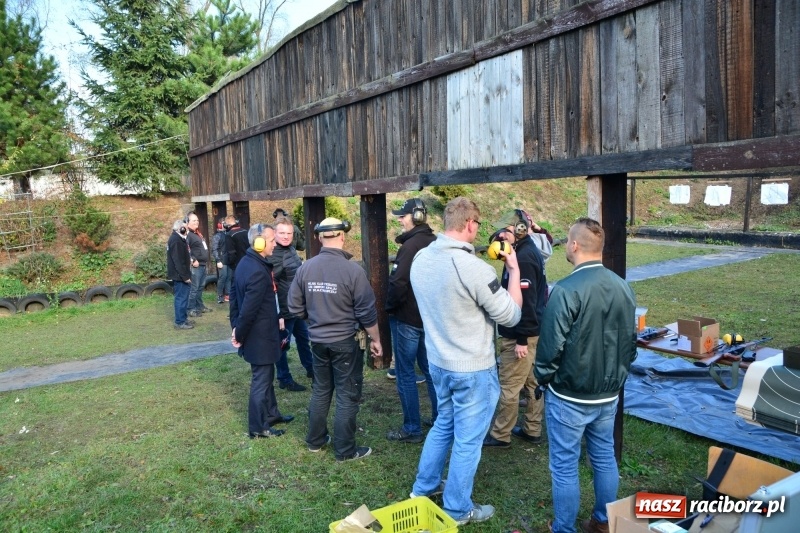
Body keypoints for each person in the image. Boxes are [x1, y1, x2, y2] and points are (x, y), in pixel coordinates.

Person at [409, 197, 522, 526]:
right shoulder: (473, 268)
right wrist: (512, 270)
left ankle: (423, 488)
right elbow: (511, 315)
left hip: (438, 362)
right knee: (468, 440)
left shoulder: (420, 258)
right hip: (472, 368)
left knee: (445, 423)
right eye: (477, 224)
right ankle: (457, 509)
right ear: (471, 224)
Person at [534, 217, 637, 533]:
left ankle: (564, 528)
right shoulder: (623, 286)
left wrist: (543, 378)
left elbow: (550, 346)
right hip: (608, 394)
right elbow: (630, 343)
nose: (565, 245)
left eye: (566, 241)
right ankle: (604, 521)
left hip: (570, 394)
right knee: (604, 457)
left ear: (575, 245)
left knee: (565, 466)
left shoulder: (565, 290)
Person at [287, 217, 382, 461]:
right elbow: (366, 311)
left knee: (321, 389)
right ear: (343, 236)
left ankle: (315, 441)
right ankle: (345, 451)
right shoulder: (353, 270)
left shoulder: (305, 268)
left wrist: (316, 320)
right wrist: (376, 340)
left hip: (317, 341)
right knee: (347, 394)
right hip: (345, 342)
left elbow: (294, 307)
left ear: (320, 238)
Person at [483, 209, 547, 448]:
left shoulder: (524, 258)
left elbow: (528, 304)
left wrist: (521, 339)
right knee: (531, 383)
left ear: (521, 230)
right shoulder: (521, 251)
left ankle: (501, 434)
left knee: (510, 385)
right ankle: (532, 428)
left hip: (522, 335)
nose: (502, 235)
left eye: (507, 231)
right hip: (530, 333)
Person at [229, 223, 294, 439]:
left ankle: (272, 414)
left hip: (263, 334)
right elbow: (247, 309)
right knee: (261, 381)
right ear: (259, 242)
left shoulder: (248, 262)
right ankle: (258, 428)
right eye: (272, 240)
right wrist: (238, 333)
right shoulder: (257, 270)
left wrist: (236, 326)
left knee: (267, 376)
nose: (275, 244)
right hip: (260, 337)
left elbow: (235, 299)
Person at [385, 198, 437, 444]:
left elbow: (398, 283)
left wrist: (389, 308)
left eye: (403, 215)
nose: (400, 219)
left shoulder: (410, 246)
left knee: (405, 373)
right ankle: (439, 420)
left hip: (407, 318)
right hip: (430, 318)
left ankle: (412, 428)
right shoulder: (435, 242)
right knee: (430, 371)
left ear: (415, 217)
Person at [269, 216, 312, 391]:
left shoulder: (291, 249)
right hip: (284, 309)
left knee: (304, 338)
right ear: (274, 233)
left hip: (297, 306)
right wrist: (278, 313)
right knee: (282, 346)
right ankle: (284, 379)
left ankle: (311, 368)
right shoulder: (274, 255)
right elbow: (271, 286)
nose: (286, 236)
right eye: (282, 233)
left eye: (289, 233)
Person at [167, 219, 193, 329]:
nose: (186, 229)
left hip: (182, 274)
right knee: (181, 298)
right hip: (180, 275)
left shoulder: (179, 239)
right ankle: (179, 322)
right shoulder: (176, 240)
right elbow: (178, 261)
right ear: (180, 229)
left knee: (184, 298)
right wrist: (185, 277)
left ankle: (183, 318)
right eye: (184, 228)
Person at [186, 212, 212, 317]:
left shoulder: (197, 234)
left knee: (200, 287)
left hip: (203, 264)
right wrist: (193, 259)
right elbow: (185, 249)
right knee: (194, 288)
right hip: (196, 266)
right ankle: (190, 309)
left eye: (197, 220)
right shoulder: (188, 235)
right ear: (187, 222)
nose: (196, 222)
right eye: (193, 220)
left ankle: (199, 306)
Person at [212, 217, 231, 304]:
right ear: (220, 225)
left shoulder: (228, 234)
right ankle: (220, 295)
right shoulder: (217, 236)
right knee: (222, 278)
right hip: (222, 260)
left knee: (229, 278)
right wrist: (218, 260)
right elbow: (214, 249)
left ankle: (228, 294)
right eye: (224, 223)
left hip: (228, 260)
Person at [224, 215, 249, 280]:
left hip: (237, 264)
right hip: (248, 261)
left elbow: (231, 253)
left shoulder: (229, 235)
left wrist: (231, 265)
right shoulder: (245, 231)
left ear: (227, 224)